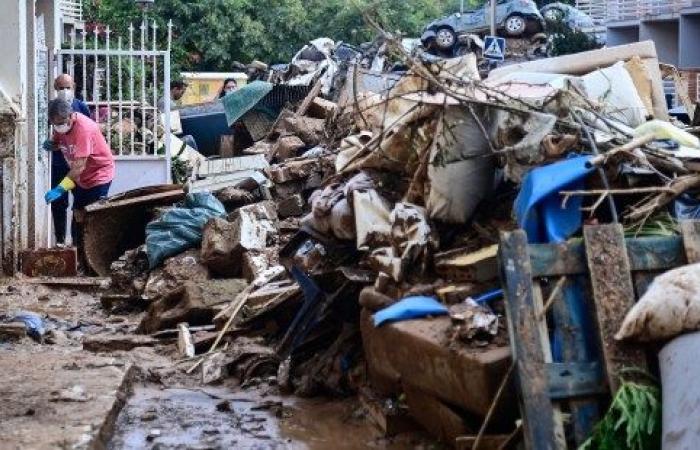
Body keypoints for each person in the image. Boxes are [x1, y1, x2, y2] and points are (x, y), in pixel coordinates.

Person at [45, 99, 115, 251]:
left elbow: (79, 166)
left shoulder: (84, 129)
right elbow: (57, 140)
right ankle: (78, 256)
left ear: (70, 116)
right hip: (81, 178)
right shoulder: (60, 126)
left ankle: (92, 258)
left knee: (91, 216)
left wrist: (59, 189)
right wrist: (51, 143)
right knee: (78, 214)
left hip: (98, 174)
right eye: (55, 124)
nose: (59, 126)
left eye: (61, 122)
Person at [44, 74, 92, 245]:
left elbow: (90, 135)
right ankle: (60, 241)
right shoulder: (51, 108)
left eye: (67, 87)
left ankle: (77, 244)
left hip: (77, 165)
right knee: (58, 203)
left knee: (79, 205)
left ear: (74, 86)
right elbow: (48, 131)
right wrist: (49, 142)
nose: (64, 91)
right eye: (60, 88)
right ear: (55, 89)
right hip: (59, 163)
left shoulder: (82, 107)